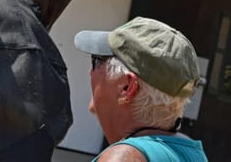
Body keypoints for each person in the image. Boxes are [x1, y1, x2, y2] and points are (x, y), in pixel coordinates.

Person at [74, 16, 208, 161]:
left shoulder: (123, 158)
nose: (90, 72)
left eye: (97, 61)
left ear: (127, 87)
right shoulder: (192, 154)